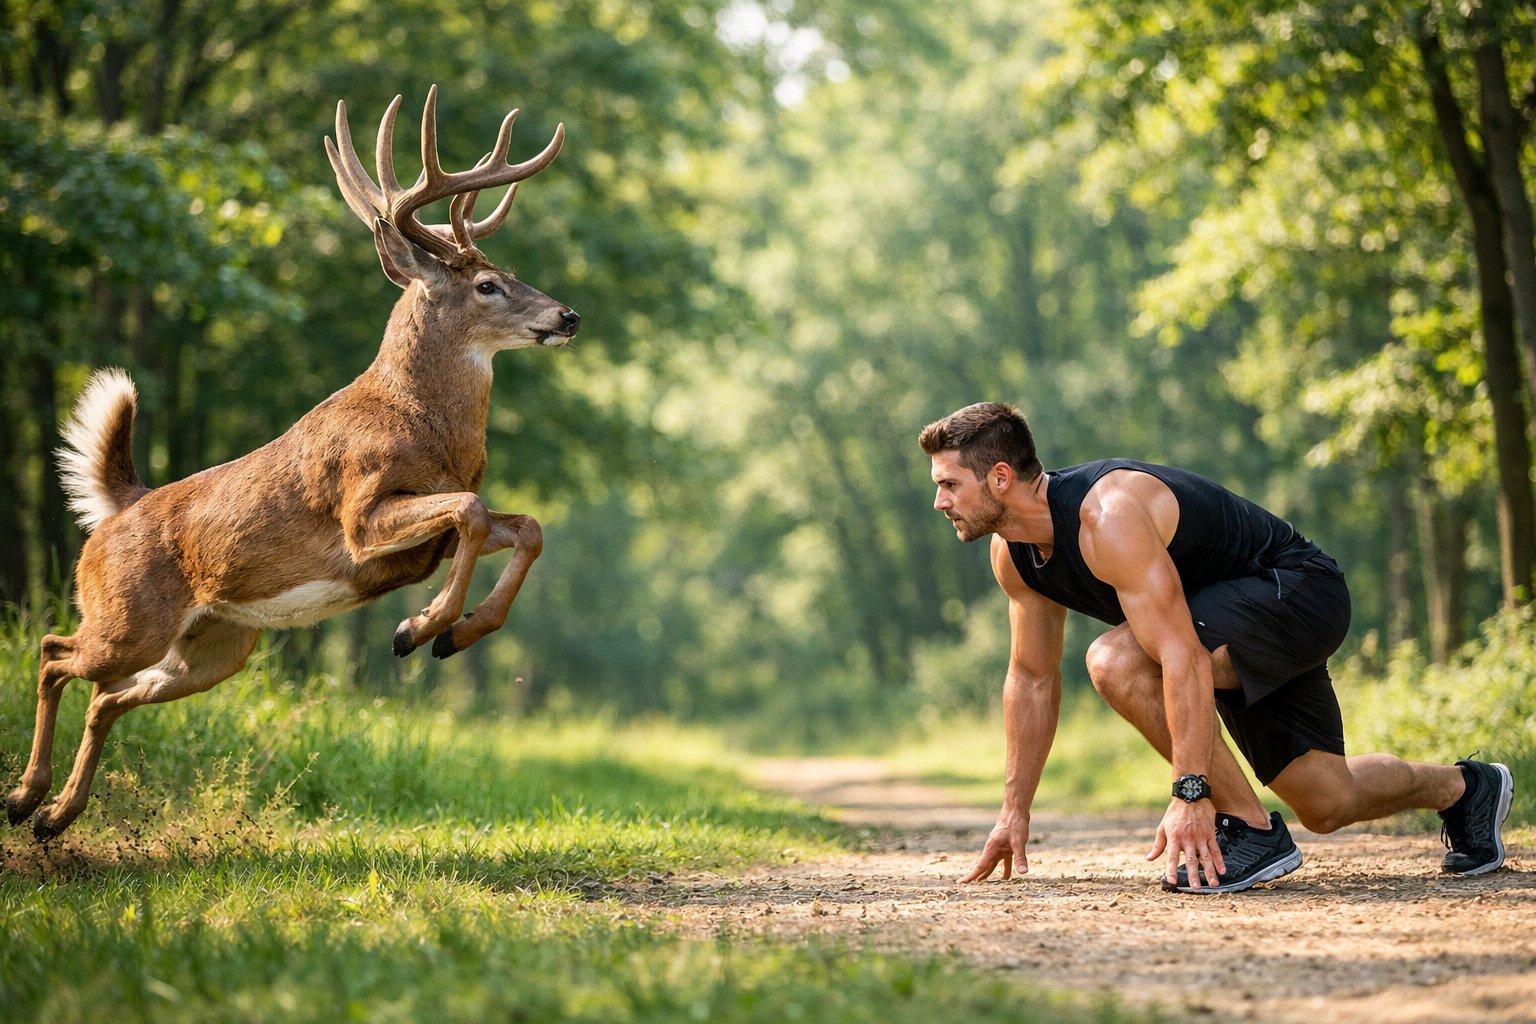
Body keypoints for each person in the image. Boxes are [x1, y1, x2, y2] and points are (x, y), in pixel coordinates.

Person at [918, 401, 1515, 893]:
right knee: (1327, 802)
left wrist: (1192, 792)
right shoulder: (1015, 556)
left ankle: (1251, 831)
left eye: (949, 484)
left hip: (1296, 592)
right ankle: (1466, 788)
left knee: (1116, 660)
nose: (940, 501)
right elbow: (1031, 677)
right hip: (1221, 624)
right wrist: (1013, 808)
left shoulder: (1107, 518)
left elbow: (1177, 656)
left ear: (1000, 477)